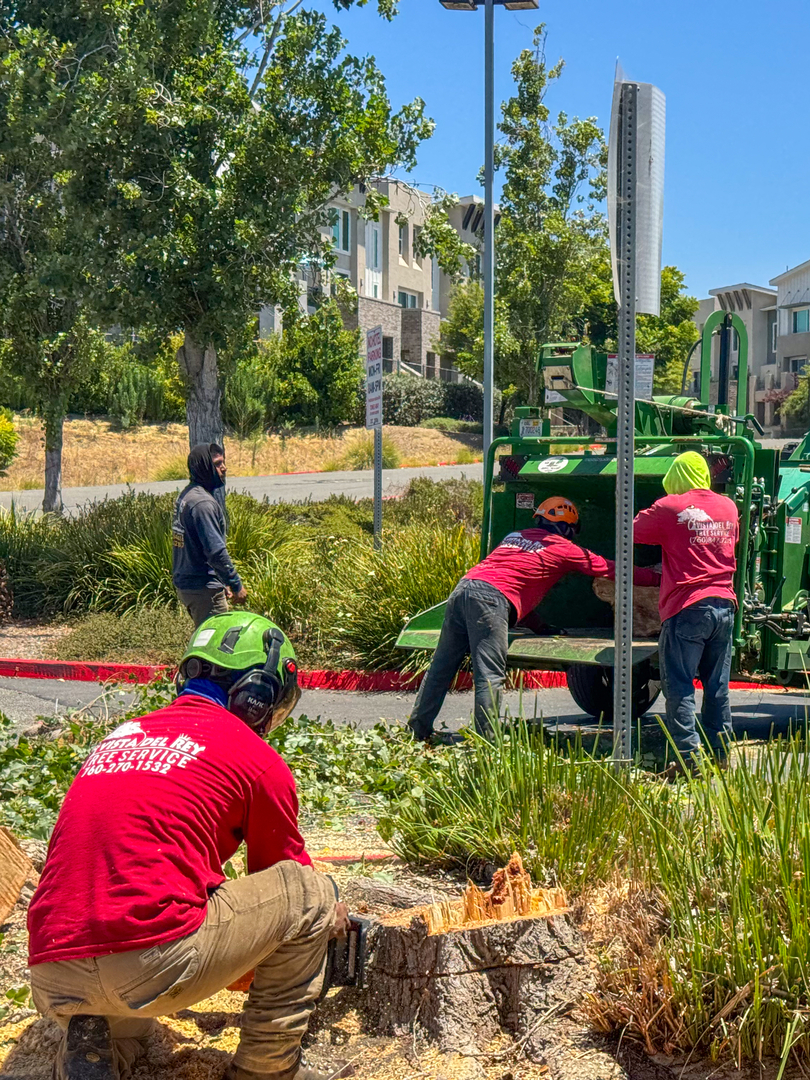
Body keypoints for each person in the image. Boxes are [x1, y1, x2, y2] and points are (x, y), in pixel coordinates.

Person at [27, 613, 347, 1080]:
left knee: (131, 1018)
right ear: (255, 696)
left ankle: (103, 1038)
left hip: (52, 970)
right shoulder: (258, 759)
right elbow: (278, 876)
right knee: (311, 893)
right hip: (146, 962)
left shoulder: (119, 738)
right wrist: (328, 921)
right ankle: (266, 1069)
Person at [408, 496, 661, 742]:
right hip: (490, 600)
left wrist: (540, 627)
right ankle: (487, 741)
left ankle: (417, 731)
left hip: (464, 589)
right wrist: (657, 579)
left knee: (441, 668)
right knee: (489, 674)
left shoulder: (514, 537)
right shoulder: (564, 548)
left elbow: (514, 587)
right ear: (567, 528)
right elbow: (611, 568)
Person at [633, 451, 739, 768]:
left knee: (679, 686)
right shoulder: (729, 507)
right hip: (724, 605)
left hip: (687, 607)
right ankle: (720, 754)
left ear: (676, 477)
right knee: (717, 686)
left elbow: (631, 530)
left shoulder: (670, 507)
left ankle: (688, 758)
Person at [172, 443, 248, 627]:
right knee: (216, 641)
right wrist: (235, 584)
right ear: (204, 466)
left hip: (190, 584)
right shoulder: (203, 504)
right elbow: (215, 551)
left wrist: (221, 581)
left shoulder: (188, 496)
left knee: (206, 637)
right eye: (217, 464)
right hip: (203, 589)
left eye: (223, 462)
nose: (224, 468)